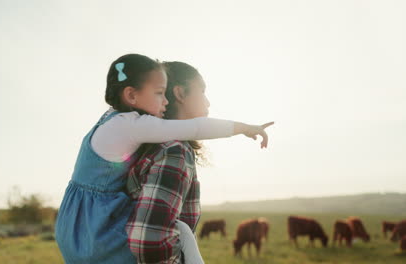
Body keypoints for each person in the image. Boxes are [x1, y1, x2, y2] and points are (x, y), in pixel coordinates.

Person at [55, 54, 273, 263]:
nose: (165, 101)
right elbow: (197, 128)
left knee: (183, 231)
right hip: (96, 228)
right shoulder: (157, 140)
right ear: (131, 95)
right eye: (160, 93)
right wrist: (244, 128)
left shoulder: (112, 120)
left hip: (74, 224)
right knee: (181, 231)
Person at [125, 61, 273, 263]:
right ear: (180, 94)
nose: (208, 102)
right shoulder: (174, 151)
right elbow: (149, 241)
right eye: (202, 91)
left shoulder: (153, 145)